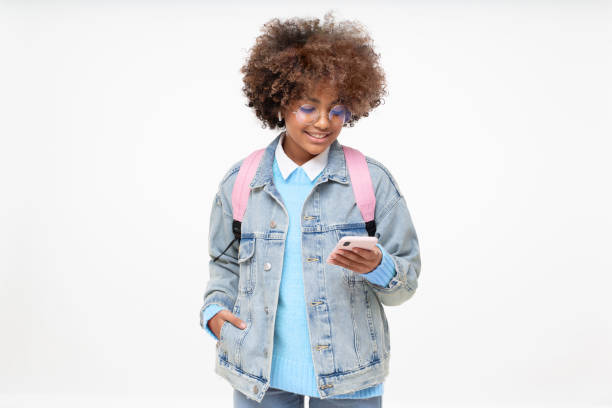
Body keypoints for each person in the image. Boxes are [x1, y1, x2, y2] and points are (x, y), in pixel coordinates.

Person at [199, 11, 421, 408]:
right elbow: (224, 263)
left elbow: (406, 282)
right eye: (308, 107)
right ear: (278, 102)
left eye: (337, 109)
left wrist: (378, 266)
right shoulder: (241, 183)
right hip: (257, 375)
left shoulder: (371, 182)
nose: (324, 122)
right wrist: (214, 311)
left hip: (350, 376)